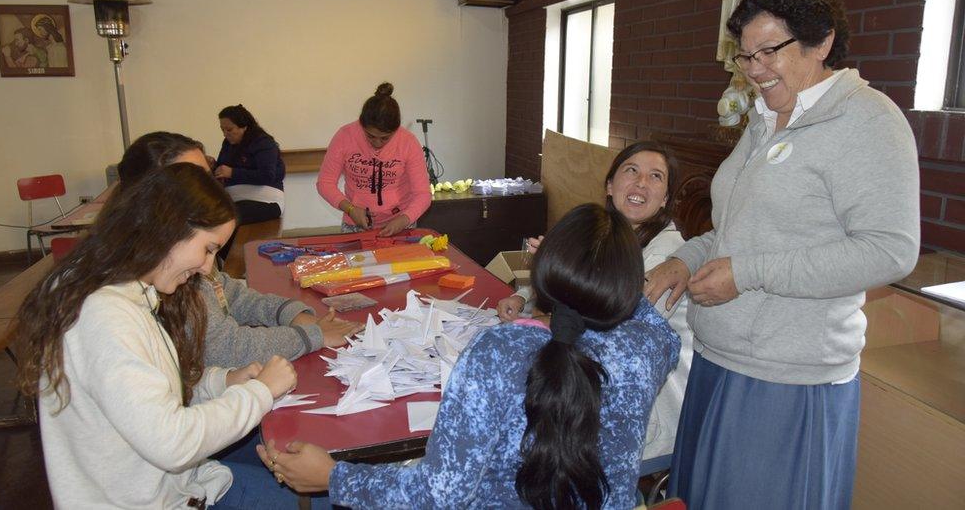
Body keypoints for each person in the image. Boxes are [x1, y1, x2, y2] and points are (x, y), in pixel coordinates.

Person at [644, 0, 920, 509]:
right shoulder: (764, 119)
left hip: (786, 380)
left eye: (768, 51)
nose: (754, 71)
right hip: (720, 358)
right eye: (745, 57)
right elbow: (734, 231)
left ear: (822, 42)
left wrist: (747, 273)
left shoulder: (867, 121)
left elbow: (890, 249)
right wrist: (681, 261)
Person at [258, 203, 681, 508]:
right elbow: (646, 321)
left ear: (546, 273)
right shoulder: (646, 348)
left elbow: (442, 491)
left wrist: (334, 477)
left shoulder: (499, 352)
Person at [14, 163, 301, 509]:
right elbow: (172, 443)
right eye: (208, 249)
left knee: (295, 474)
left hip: (171, 487)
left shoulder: (127, 292)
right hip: (152, 499)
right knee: (300, 495)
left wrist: (221, 381)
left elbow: (147, 393)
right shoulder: (104, 315)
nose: (208, 267)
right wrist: (260, 392)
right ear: (169, 230)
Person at [497, 141, 693, 464]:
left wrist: (546, 313)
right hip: (597, 385)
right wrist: (524, 295)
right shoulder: (605, 233)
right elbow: (581, 288)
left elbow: (609, 332)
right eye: (632, 170)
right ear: (610, 184)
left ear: (665, 199)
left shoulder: (666, 255)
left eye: (656, 177)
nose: (642, 183)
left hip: (645, 411)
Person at [118, 131, 363, 368]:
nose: (208, 191)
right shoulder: (147, 287)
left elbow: (226, 291)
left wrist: (289, 313)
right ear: (153, 198)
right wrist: (310, 336)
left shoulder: (183, 256)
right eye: (193, 181)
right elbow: (225, 348)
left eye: (207, 178)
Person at [317, 82, 432, 236]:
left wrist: (404, 219)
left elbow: (423, 194)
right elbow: (325, 183)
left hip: (401, 223)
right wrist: (350, 209)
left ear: (396, 129)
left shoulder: (408, 142)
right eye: (370, 136)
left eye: (385, 138)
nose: (377, 143)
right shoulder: (345, 136)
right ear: (361, 125)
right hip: (355, 223)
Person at [215, 104, 286, 259]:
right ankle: (230, 264)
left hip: (265, 201)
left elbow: (267, 176)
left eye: (230, 130)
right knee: (214, 217)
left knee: (227, 218)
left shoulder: (263, 142)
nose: (226, 134)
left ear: (244, 127)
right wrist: (212, 165)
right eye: (222, 130)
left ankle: (235, 266)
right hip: (237, 200)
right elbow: (221, 167)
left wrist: (232, 172)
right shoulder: (227, 144)